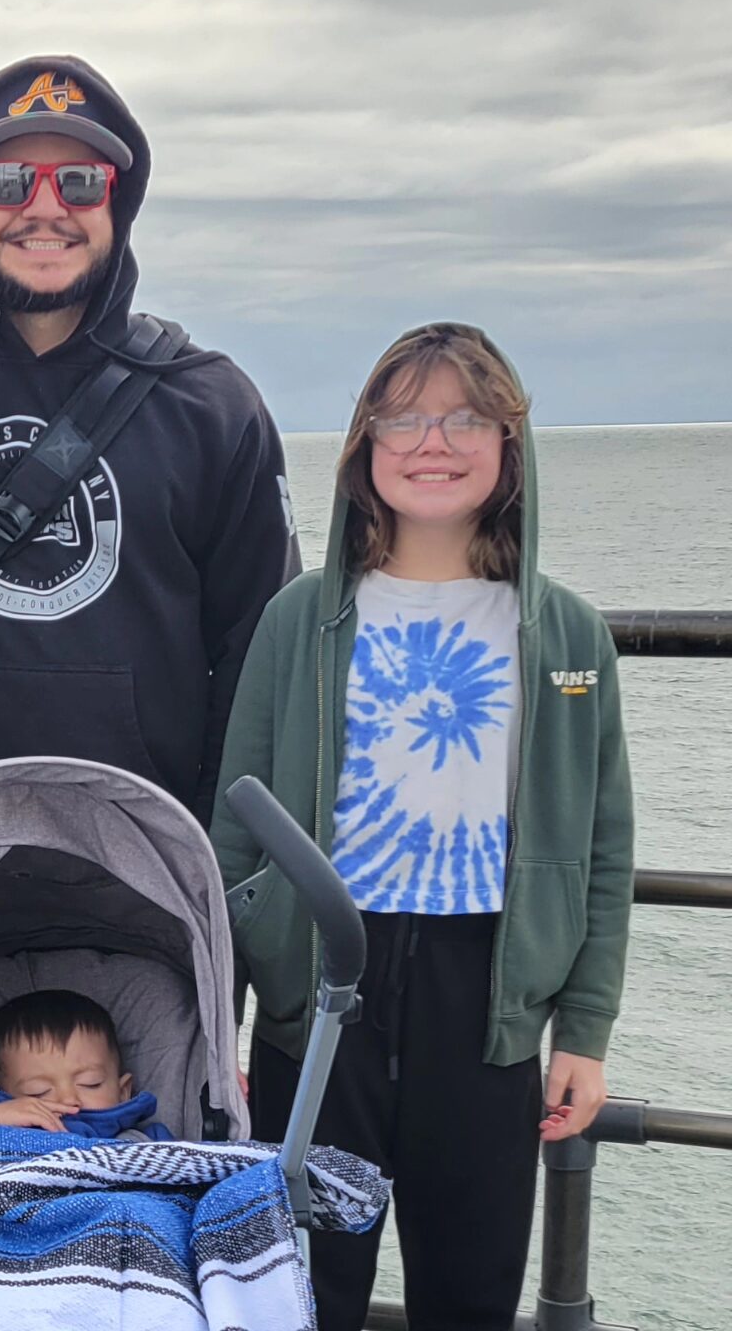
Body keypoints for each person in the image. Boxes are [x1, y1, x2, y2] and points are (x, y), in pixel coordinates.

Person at [0, 56, 299, 1067]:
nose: (45, 207)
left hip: (157, 899)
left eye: (79, 181)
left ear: (119, 202)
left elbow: (258, 671)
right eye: (10, 181)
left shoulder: (214, 408)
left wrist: (213, 873)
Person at [210, 323, 634, 1330]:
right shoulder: (298, 619)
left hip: (486, 1004)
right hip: (317, 989)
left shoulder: (566, 633)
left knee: (470, 1294)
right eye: (402, 418)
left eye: (466, 419)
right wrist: (216, 1019)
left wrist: (583, 1033)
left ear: (509, 446)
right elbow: (237, 831)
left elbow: (603, 844)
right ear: (364, 445)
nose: (432, 442)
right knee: (303, 1295)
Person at [0, 989, 174, 1140]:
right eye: (38, 1091)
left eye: (90, 1083)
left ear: (123, 1091)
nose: (67, 1099)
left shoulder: (146, 1141)